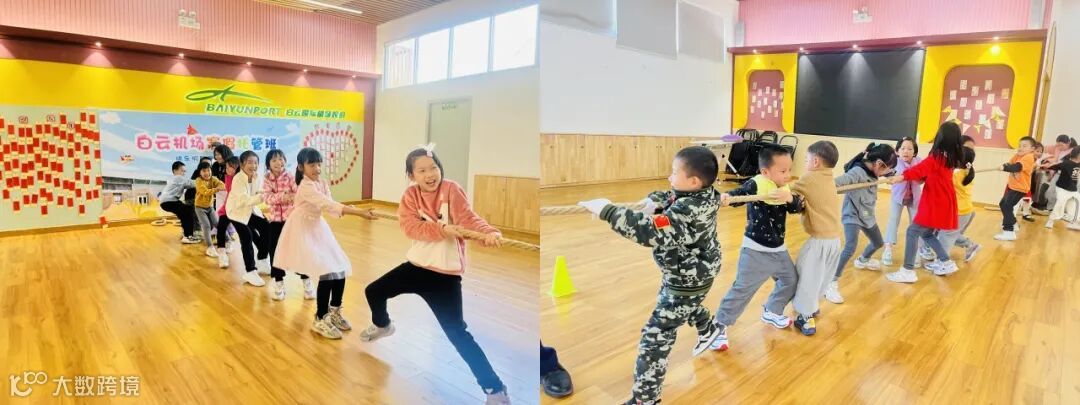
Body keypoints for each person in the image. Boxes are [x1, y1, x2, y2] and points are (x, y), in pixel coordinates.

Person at [360, 146, 511, 405]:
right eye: (422, 170)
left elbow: (469, 219)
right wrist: (442, 230)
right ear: (412, 175)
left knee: (457, 333)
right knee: (373, 291)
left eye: (433, 168)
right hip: (417, 267)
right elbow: (411, 227)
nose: (430, 174)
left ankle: (495, 389)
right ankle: (383, 325)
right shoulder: (410, 195)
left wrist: (489, 232)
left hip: (444, 276)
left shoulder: (451, 189)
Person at [273, 147, 377, 339]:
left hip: (317, 227)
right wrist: (358, 213)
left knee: (340, 268)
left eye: (319, 164)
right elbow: (327, 204)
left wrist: (350, 209)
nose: (317, 168)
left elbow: (330, 206)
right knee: (327, 272)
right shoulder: (305, 186)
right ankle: (320, 318)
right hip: (303, 229)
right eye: (312, 165)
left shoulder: (321, 183)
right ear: (301, 167)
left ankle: (334, 310)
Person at [711, 145, 803, 351]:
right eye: (783, 171)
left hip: (778, 250)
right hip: (755, 251)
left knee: (790, 281)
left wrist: (790, 198)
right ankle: (718, 326)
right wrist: (727, 197)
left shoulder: (784, 187)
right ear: (765, 172)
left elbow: (796, 207)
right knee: (742, 290)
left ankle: (771, 310)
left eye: (789, 170)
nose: (788, 175)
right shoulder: (756, 183)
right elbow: (739, 194)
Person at [884, 122, 965, 283]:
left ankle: (907, 270)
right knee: (926, 233)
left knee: (912, 231)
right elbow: (926, 171)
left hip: (936, 200)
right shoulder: (951, 156)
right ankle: (945, 262)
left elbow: (920, 169)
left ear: (941, 136)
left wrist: (900, 177)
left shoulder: (938, 156)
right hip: (944, 199)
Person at [827, 142, 897, 304]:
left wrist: (892, 175)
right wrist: (823, 186)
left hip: (867, 215)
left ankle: (863, 260)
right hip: (852, 215)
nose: (887, 171)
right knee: (850, 247)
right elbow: (839, 182)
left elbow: (890, 171)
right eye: (886, 168)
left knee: (878, 242)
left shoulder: (874, 169)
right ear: (878, 164)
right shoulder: (857, 172)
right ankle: (831, 281)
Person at [788, 141, 843, 335]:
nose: (805, 163)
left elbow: (788, 191)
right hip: (835, 240)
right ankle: (812, 305)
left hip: (820, 241)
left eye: (806, 159)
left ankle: (805, 316)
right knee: (822, 277)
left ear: (816, 161)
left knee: (806, 277)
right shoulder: (829, 178)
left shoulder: (809, 177)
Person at [261, 149, 315, 301]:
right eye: (274, 160)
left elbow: (298, 195)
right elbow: (266, 198)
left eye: (280, 159)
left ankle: (307, 282)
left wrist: (284, 197)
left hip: (291, 220)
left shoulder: (291, 177)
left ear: (285, 160)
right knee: (275, 252)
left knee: (299, 250)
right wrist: (283, 196)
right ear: (268, 164)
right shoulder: (266, 179)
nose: (278, 162)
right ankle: (279, 283)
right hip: (274, 222)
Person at [225, 151, 272, 286]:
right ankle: (250, 271)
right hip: (236, 212)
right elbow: (244, 200)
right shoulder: (238, 179)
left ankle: (262, 259)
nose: (253, 165)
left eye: (256, 162)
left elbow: (258, 192)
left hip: (250, 210)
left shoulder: (256, 176)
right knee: (247, 236)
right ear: (242, 164)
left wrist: (268, 193)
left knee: (267, 227)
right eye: (250, 162)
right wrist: (264, 196)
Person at [883, 136, 923, 266]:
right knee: (893, 221)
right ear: (897, 151)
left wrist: (919, 177)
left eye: (910, 149)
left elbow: (922, 179)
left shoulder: (919, 162)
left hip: (914, 198)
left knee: (916, 224)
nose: (906, 151)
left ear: (914, 152)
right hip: (898, 197)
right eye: (903, 148)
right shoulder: (894, 162)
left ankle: (917, 252)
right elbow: (886, 174)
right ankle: (888, 249)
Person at [994, 136, 1038, 241]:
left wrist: (1005, 168)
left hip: (1020, 188)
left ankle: (1009, 232)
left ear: (1032, 149)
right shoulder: (1018, 155)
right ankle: (1014, 224)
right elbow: (1010, 164)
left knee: (1007, 206)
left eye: (1024, 146)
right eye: (1019, 146)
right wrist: (1004, 165)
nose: (1021, 148)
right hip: (1013, 186)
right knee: (1003, 204)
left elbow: (1017, 167)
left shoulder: (1029, 157)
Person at [159, 161, 199, 244]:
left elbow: (188, 185)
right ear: (175, 171)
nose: (183, 173)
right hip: (169, 201)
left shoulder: (174, 179)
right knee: (188, 210)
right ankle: (188, 236)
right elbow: (193, 183)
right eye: (182, 171)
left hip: (166, 202)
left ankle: (186, 234)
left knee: (184, 214)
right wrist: (207, 180)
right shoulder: (178, 178)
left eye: (184, 171)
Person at [193, 161, 225, 258]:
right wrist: (217, 189)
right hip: (199, 208)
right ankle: (210, 248)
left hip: (210, 207)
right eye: (204, 171)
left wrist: (220, 186)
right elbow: (205, 192)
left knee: (218, 223)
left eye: (208, 170)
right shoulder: (198, 181)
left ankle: (227, 241)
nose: (207, 173)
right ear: (200, 172)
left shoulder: (213, 178)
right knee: (206, 226)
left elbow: (222, 184)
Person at [1044, 148, 1080, 230]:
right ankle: (1051, 220)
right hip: (1062, 189)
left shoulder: (1078, 165)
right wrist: (1047, 166)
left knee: (1077, 203)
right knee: (1060, 204)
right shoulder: (1066, 163)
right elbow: (1056, 166)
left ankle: (1074, 222)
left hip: (1073, 190)